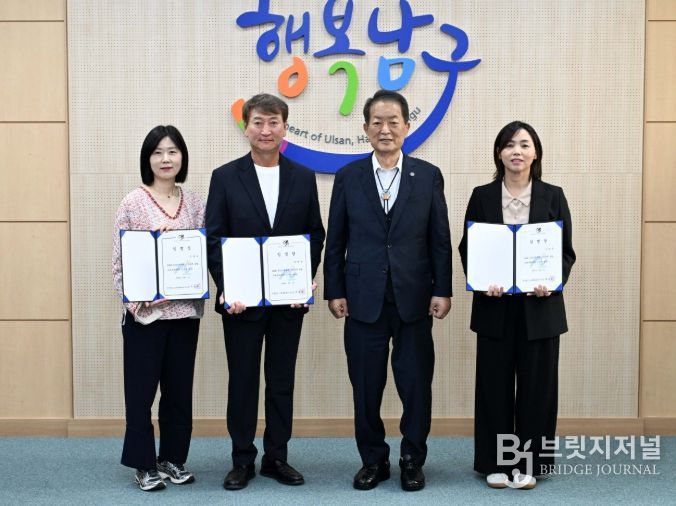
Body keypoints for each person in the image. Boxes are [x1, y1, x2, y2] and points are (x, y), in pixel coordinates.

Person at [323, 90, 452, 492]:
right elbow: (336, 239)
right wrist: (334, 290)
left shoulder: (427, 175)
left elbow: (439, 239)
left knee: (416, 385)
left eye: (393, 121)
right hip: (362, 298)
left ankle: (412, 459)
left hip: (415, 297)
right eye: (377, 122)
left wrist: (443, 289)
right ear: (365, 128)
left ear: (406, 127)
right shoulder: (349, 177)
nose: (385, 129)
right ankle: (373, 460)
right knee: (365, 386)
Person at [205, 93, 325, 491]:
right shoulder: (225, 177)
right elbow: (214, 238)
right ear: (246, 127)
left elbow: (315, 234)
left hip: (288, 303)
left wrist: (304, 279)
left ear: (285, 128)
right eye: (258, 122)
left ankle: (277, 457)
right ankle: (242, 459)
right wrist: (227, 287)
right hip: (241, 305)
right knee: (242, 382)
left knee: (281, 382)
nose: (266, 130)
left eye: (274, 122)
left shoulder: (303, 177)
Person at [458, 121, 576, 489]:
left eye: (524, 144)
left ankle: (529, 464)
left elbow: (565, 253)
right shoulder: (482, 196)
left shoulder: (553, 196)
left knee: (537, 390)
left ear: (535, 153)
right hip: (494, 308)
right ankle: (495, 463)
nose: (517, 151)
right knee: (493, 388)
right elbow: (468, 247)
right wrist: (482, 280)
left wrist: (550, 282)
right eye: (509, 145)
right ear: (499, 153)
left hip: (540, 309)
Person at [112, 125, 204, 491]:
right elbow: (120, 262)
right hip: (146, 317)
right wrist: (138, 299)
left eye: (172, 151)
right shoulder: (132, 202)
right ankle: (143, 464)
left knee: (179, 392)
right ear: (147, 159)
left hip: (184, 314)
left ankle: (172, 459)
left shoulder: (194, 202)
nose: (166, 159)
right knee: (141, 393)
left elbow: (203, 254)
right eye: (157, 152)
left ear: (182, 157)